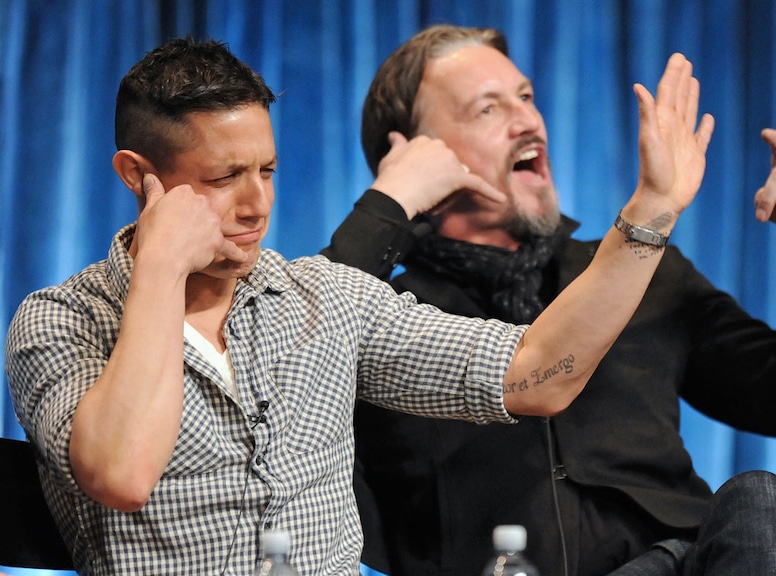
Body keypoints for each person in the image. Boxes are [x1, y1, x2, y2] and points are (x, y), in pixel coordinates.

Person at [2, 35, 713, 576]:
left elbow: (538, 372)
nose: (257, 206)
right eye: (224, 178)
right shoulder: (59, 322)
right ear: (138, 176)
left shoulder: (324, 298)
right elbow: (120, 475)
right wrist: (159, 266)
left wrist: (650, 211)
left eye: (268, 170)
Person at [322, 24, 776, 576]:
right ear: (413, 153)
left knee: (759, 497)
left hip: (683, 564)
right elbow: (291, 347)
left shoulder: (646, 272)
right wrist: (388, 202)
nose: (527, 122)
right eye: (487, 110)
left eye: (526, 98)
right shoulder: (384, 319)